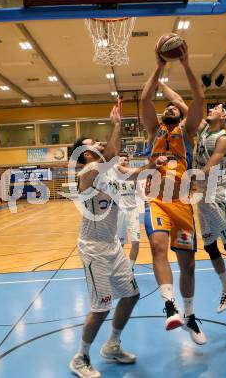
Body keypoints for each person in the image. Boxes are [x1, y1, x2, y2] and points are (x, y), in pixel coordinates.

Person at [70, 106, 166, 378]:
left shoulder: (111, 170)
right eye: (94, 143)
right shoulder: (88, 172)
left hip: (111, 244)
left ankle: (112, 345)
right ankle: (81, 357)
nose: (100, 144)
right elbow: (110, 154)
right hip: (92, 248)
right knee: (101, 307)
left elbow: (133, 174)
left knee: (131, 295)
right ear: (86, 154)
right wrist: (116, 124)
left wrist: (151, 164)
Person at [159, 82, 226, 315]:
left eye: (216, 107)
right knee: (210, 247)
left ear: (224, 116)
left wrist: (191, 176)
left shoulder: (224, 138)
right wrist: (160, 81)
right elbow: (178, 99)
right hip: (201, 195)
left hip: (217, 195)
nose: (211, 109)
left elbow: (211, 164)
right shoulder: (203, 129)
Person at [141, 40, 207, 345]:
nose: (168, 108)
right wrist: (159, 65)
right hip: (156, 198)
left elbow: (198, 97)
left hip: (182, 202)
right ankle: (170, 306)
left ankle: (190, 315)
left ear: (180, 116)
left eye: (173, 108)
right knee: (157, 247)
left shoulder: (188, 131)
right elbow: (144, 97)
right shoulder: (154, 130)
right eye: (165, 107)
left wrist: (186, 63)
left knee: (188, 265)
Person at [117, 154, 141, 269]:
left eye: (126, 159)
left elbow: (142, 194)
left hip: (133, 211)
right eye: (121, 159)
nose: (123, 161)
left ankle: (130, 268)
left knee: (136, 242)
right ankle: (120, 267)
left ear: (128, 162)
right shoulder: (114, 177)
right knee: (120, 244)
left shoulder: (134, 177)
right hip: (120, 212)